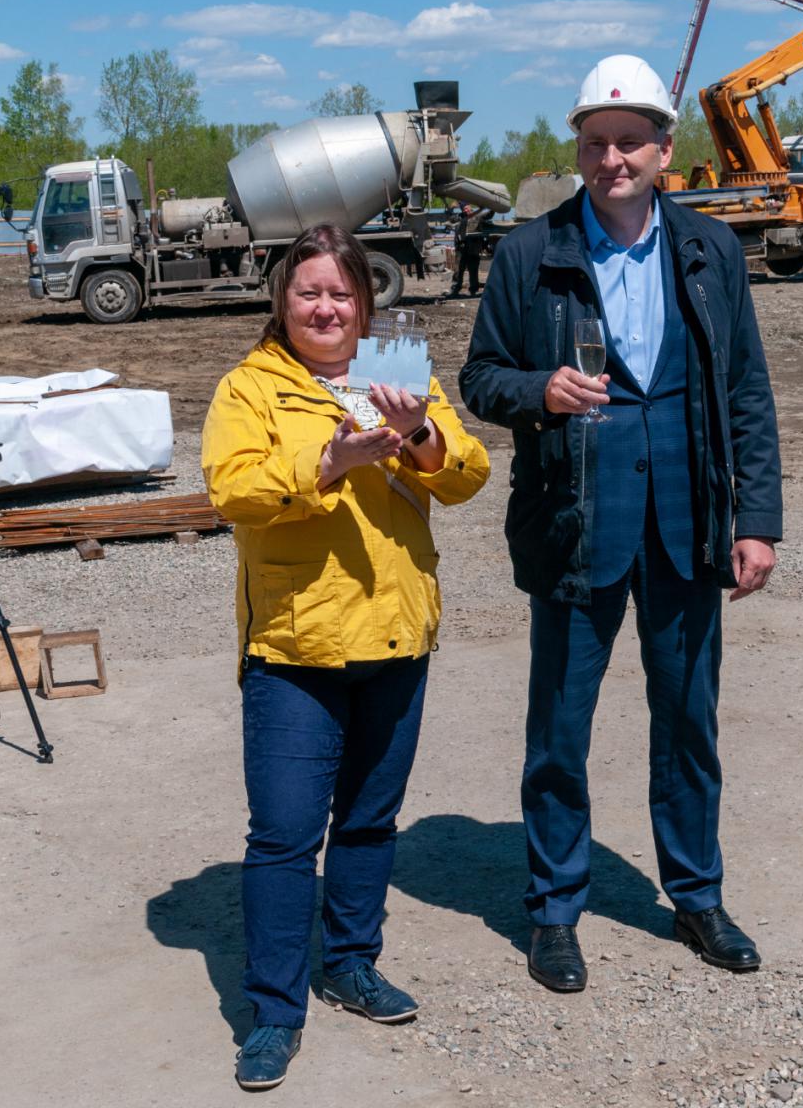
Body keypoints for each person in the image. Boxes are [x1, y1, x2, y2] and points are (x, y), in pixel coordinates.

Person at [459, 55, 782, 993]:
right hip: (575, 521)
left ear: (663, 150)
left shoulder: (709, 251)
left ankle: (696, 896)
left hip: (687, 520)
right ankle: (555, 909)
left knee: (688, 724)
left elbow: (746, 392)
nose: (613, 160)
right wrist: (540, 390)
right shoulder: (532, 254)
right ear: (579, 150)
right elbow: (481, 378)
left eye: (630, 142)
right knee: (560, 731)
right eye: (596, 143)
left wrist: (756, 520)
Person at [202, 224, 489, 1089]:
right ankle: (274, 1010)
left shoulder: (397, 371)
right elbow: (232, 489)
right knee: (285, 837)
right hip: (296, 646)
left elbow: (468, 473)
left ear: (366, 303)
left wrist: (422, 432)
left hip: (397, 633)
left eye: (341, 293)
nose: (325, 308)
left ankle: (352, 964)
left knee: (367, 822)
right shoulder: (250, 387)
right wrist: (326, 459)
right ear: (282, 301)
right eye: (309, 293)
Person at [449, 203, 488, 296]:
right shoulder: (460, 217)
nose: (465, 210)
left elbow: (488, 216)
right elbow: (451, 219)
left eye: (467, 208)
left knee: (473, 269)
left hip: (473, 248)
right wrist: (451, 208)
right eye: (464, 209)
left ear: (471, 208)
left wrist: (491, 206)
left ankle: (473, 290)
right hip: (461, 248)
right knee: (458, 270)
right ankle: (456, 288)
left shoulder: (477, 216)